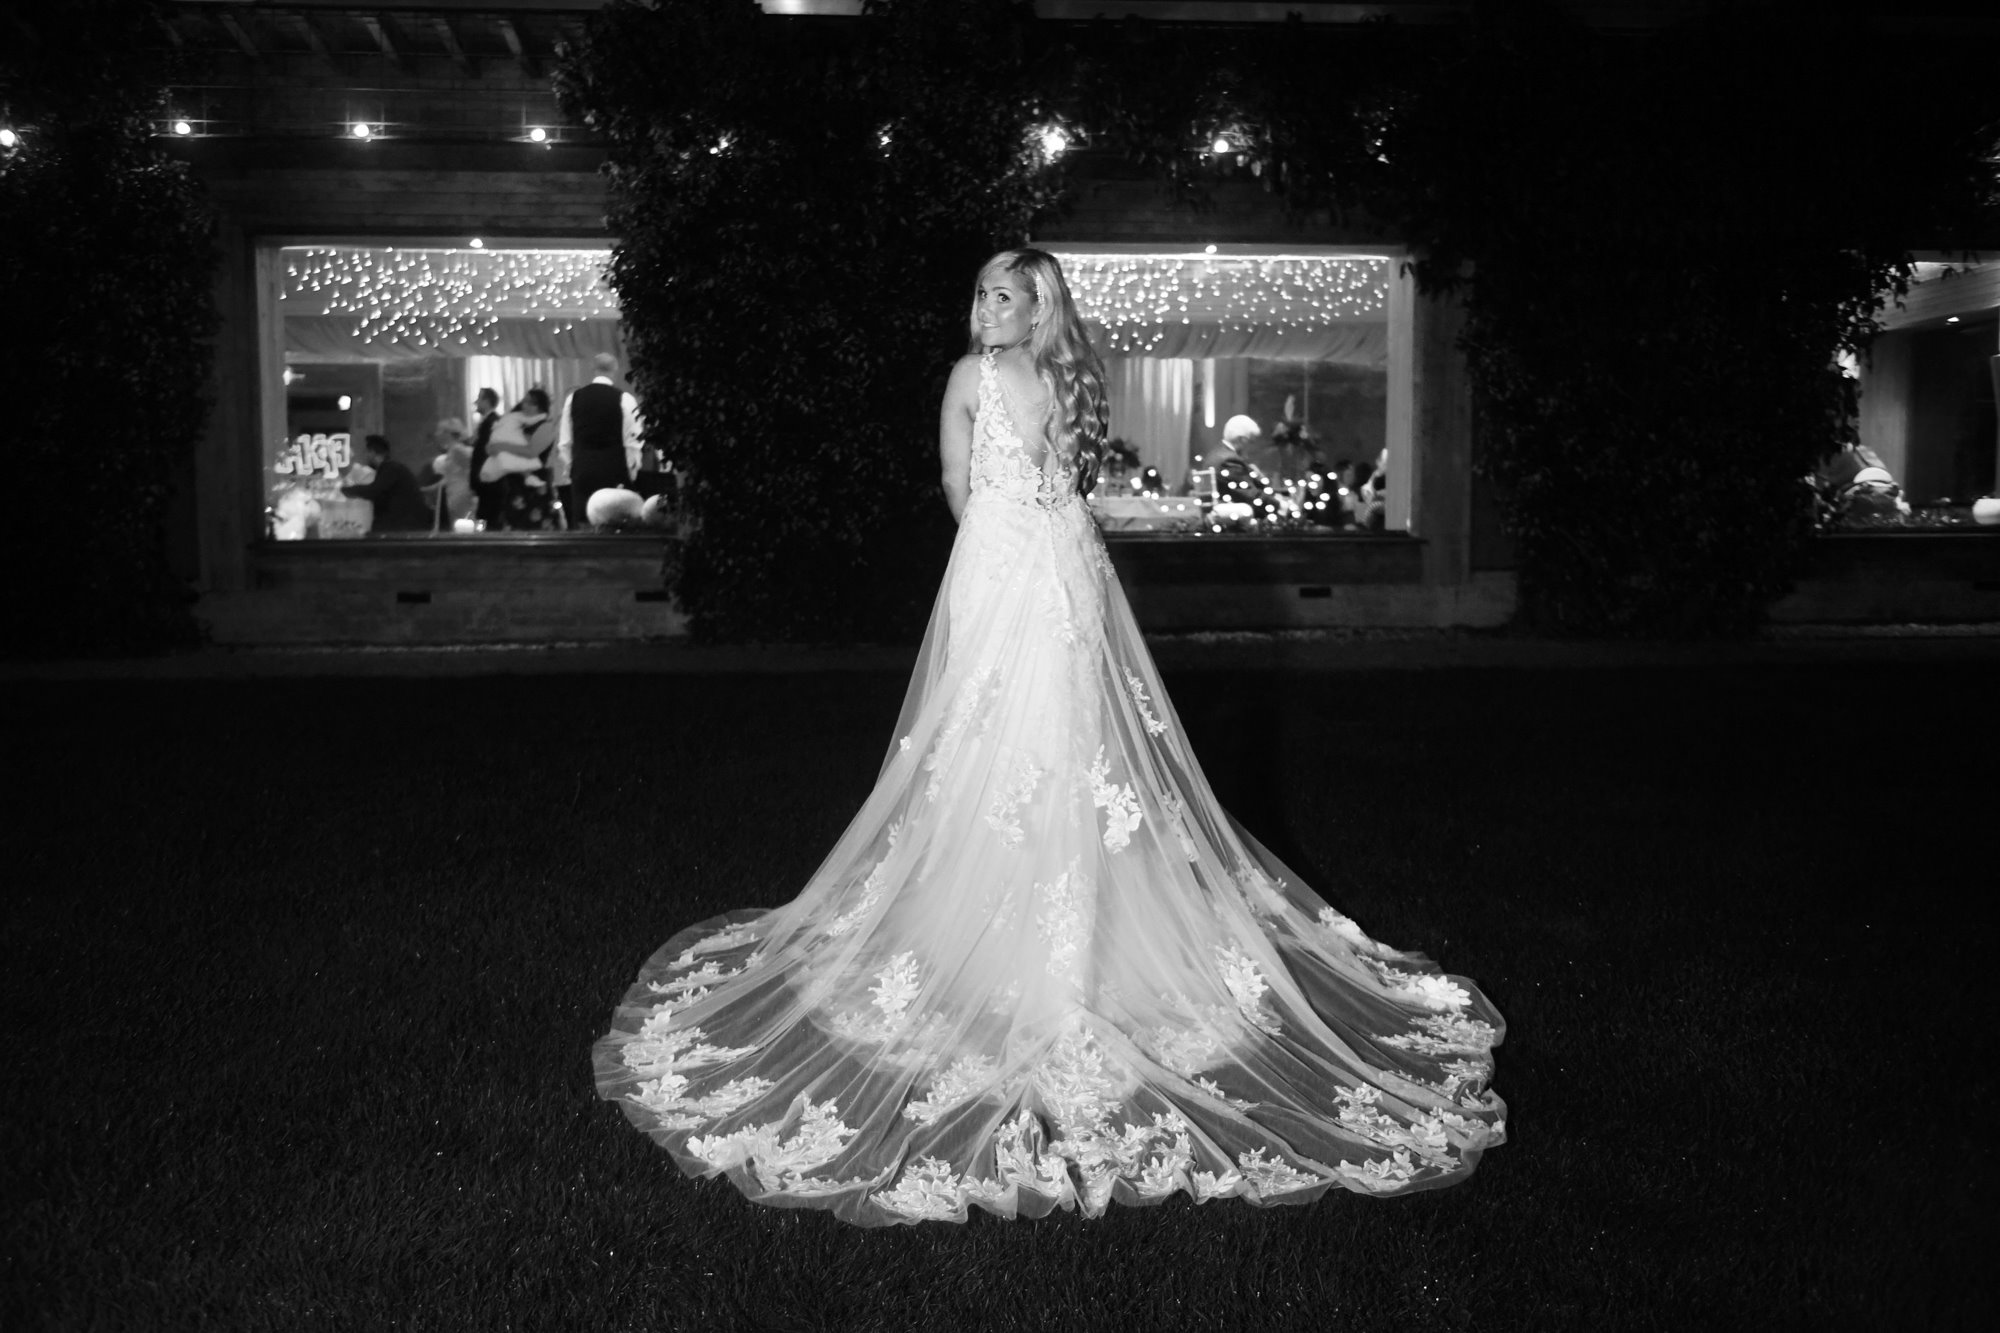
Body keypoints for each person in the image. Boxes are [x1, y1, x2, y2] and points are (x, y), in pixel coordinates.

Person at [593, 250, 1506, 1227]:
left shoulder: (970, 377)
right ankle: (1034, 926)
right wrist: (1032, 547)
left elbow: (958, 482)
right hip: (1062, 571)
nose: (981, 307)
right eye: (978, 289)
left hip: (1006, 566)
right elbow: (1065, 487)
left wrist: (995, 547)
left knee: (999, 739)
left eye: (1000, 295)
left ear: (1036, 310)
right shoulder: (1065, 375)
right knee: (1051, 747)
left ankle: (1014, 937)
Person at [558, 353, 646, 522]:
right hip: (615, 468)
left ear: (593, 368)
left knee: (583, 521)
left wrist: (572, 468)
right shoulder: (625, 399)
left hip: (583, 469)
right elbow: (632, 442)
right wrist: (632, 472)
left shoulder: (573, 399)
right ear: (615, 369)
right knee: (614, 521)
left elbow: (565, 442)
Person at [478, 389, 560, 530]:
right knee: (512, 525)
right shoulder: (517, 422)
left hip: (536, 484)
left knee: (536, 526)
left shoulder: (546, 426)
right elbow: (491, 446)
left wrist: (501, 445)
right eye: (525, 402)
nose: (526, 406)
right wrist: (492, 447)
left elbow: (532, 451)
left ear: (540, 406)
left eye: (531, 403)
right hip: (513, 483)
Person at [340, 434, 431, 532]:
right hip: (407, 520)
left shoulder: (390, 468)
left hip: (405, 523)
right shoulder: (391, 468)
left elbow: (374, 491)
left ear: (372, 452)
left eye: (366, 452)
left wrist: (347, 490)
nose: (365, 455)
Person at [418, 418, 475, 528]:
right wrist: (430, 488)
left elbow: (471, 471)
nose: (437, 434)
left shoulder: (457, 450)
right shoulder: (453, 450)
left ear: (447, 433)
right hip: (454, 495)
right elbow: (449, 477)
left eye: (439, 431)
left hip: (462, 496)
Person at [466, 388, 502, 529]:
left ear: (487, 401)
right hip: (487, 483)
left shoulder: (492, 423)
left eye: (479, 399)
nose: (476, 402)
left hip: (490, 483)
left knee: (490, 522)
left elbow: (485, 454)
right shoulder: (487, 423)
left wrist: (478, 479)